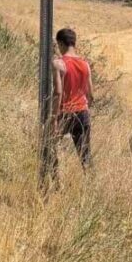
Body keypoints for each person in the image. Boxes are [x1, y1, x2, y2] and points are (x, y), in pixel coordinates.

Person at [46, 28, 95, 180]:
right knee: (85, 156)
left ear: (60, 43)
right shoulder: (85, 65)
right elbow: (91, 95)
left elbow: (58, 92)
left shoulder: (59, 64)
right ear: (74, 43)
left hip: (65, 114)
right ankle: (91, 186)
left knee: (48, 145)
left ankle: (54, 181)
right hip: (83, 113)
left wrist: (53, 119)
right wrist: (86, 111)